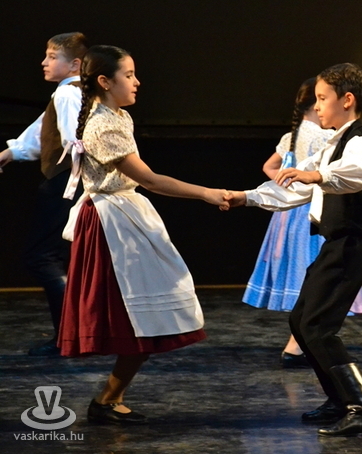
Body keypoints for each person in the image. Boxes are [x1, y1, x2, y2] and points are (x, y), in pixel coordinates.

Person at [58, 45, 230, 425]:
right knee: (138, 319)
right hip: (112, 225)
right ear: (105, 82)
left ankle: (109, 398)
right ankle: (106, 400)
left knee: (147, 319)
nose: (137, 82)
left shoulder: (118, 116)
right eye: (129, 75)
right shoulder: (103, 125)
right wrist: (206, 193)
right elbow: (150, 180)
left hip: (125, 215)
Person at [228, 63, 362, 437]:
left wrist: (317, 175)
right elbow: (294, 189)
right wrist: (245, 198)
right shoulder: (331, 143)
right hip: (335, 243)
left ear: (347, 100)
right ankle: (338, 399)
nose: (317, 106)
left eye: (322, 98)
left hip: (352, 244)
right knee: (301, 321)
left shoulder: (357, 142)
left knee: (318, 327)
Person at [242, 78, 362, 369]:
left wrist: (285, 182)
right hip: (309, 212)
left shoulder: (293, 134)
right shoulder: (321, 137)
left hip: (287, 214)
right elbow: (335, 176)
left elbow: (269, 166)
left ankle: (302, 341)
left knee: (306, 277)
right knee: (316, 278)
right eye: (320, 99)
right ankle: (299, 344)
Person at [0, 32, 88, 356]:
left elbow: (74, 142)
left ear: (75, 64)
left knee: (42, 256)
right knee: (57, 256)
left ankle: (70, 336)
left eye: (52, 57)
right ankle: (74, 334)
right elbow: (41, 131)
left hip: (66, 182)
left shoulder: (67, 94)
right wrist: (9, 154)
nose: (44, 62)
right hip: (69, 181)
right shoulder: (67, 93)